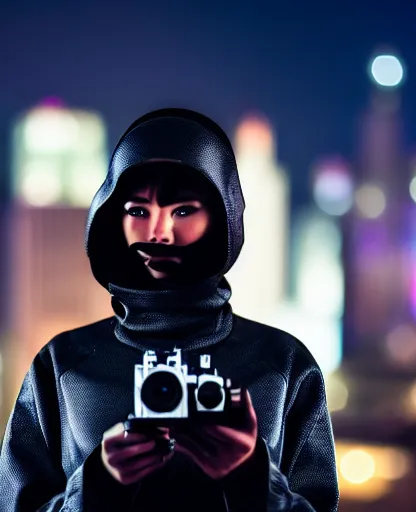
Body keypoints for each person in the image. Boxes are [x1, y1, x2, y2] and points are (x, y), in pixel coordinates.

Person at [0, 108, 339, 511]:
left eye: (182, 211)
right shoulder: (61, 365)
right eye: (138, 211)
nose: (159, 232)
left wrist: (251, 478)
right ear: (110, 214)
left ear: (223, 214)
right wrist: (96, 487)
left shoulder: (284, 365)